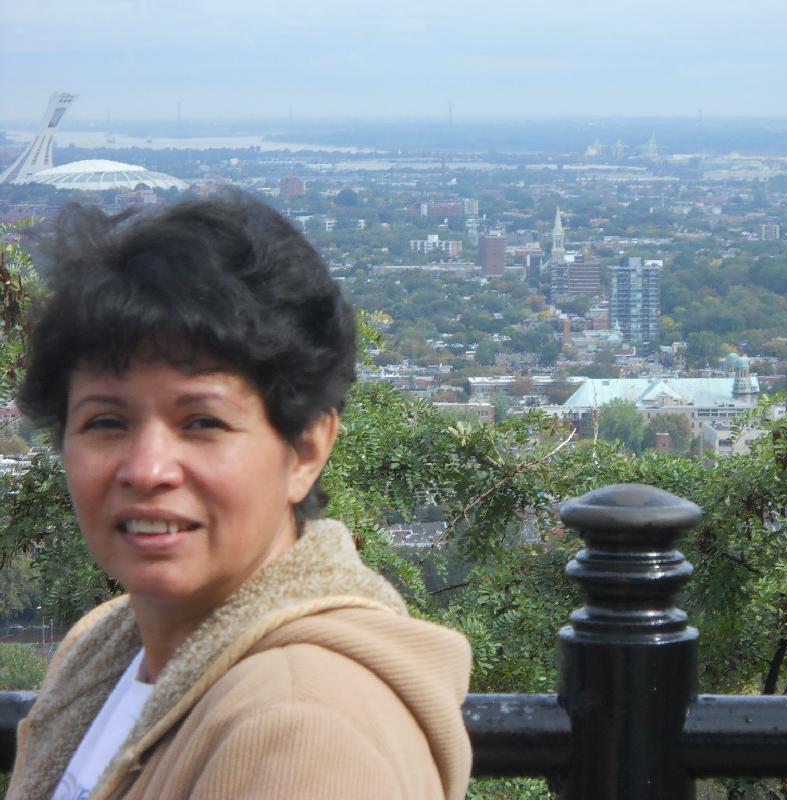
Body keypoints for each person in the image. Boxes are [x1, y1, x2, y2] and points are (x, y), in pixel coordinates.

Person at [6, 193, 472, 800]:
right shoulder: (108, 650)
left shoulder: (306, 730)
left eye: (202, 422)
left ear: (305, 449)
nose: (147, 469)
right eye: (106, 422)